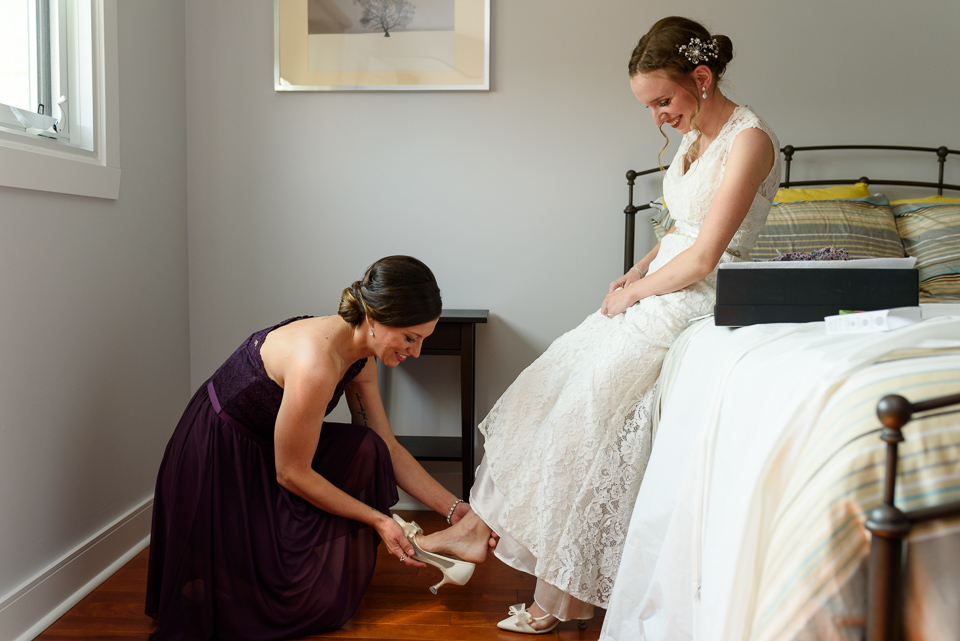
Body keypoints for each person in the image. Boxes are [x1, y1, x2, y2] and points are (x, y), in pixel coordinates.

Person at [411, 16, 781, 635]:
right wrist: (630, 274)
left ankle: (558, 599)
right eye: (650, 107)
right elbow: (674, 234)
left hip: (702, 292)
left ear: (703, 77)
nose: (659, 118)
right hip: (662, 279)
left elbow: (704, 255)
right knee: (542, 392)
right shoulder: (691, 142)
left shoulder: (751, 141)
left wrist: (637, 292)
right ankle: (477, 529)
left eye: (664, 101)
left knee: (584, 412)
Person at [145, 255, 491, 641]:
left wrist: (455, 508)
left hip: (268, 447)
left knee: (368, 447)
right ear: (374, 319)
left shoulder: (361, 357)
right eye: (410, 337)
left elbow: (388, 447)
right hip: (219, 460)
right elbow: (290, 472)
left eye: (423, 339)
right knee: (295, 605)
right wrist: (379, 519)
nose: (416, 352)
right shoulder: (316, 363)